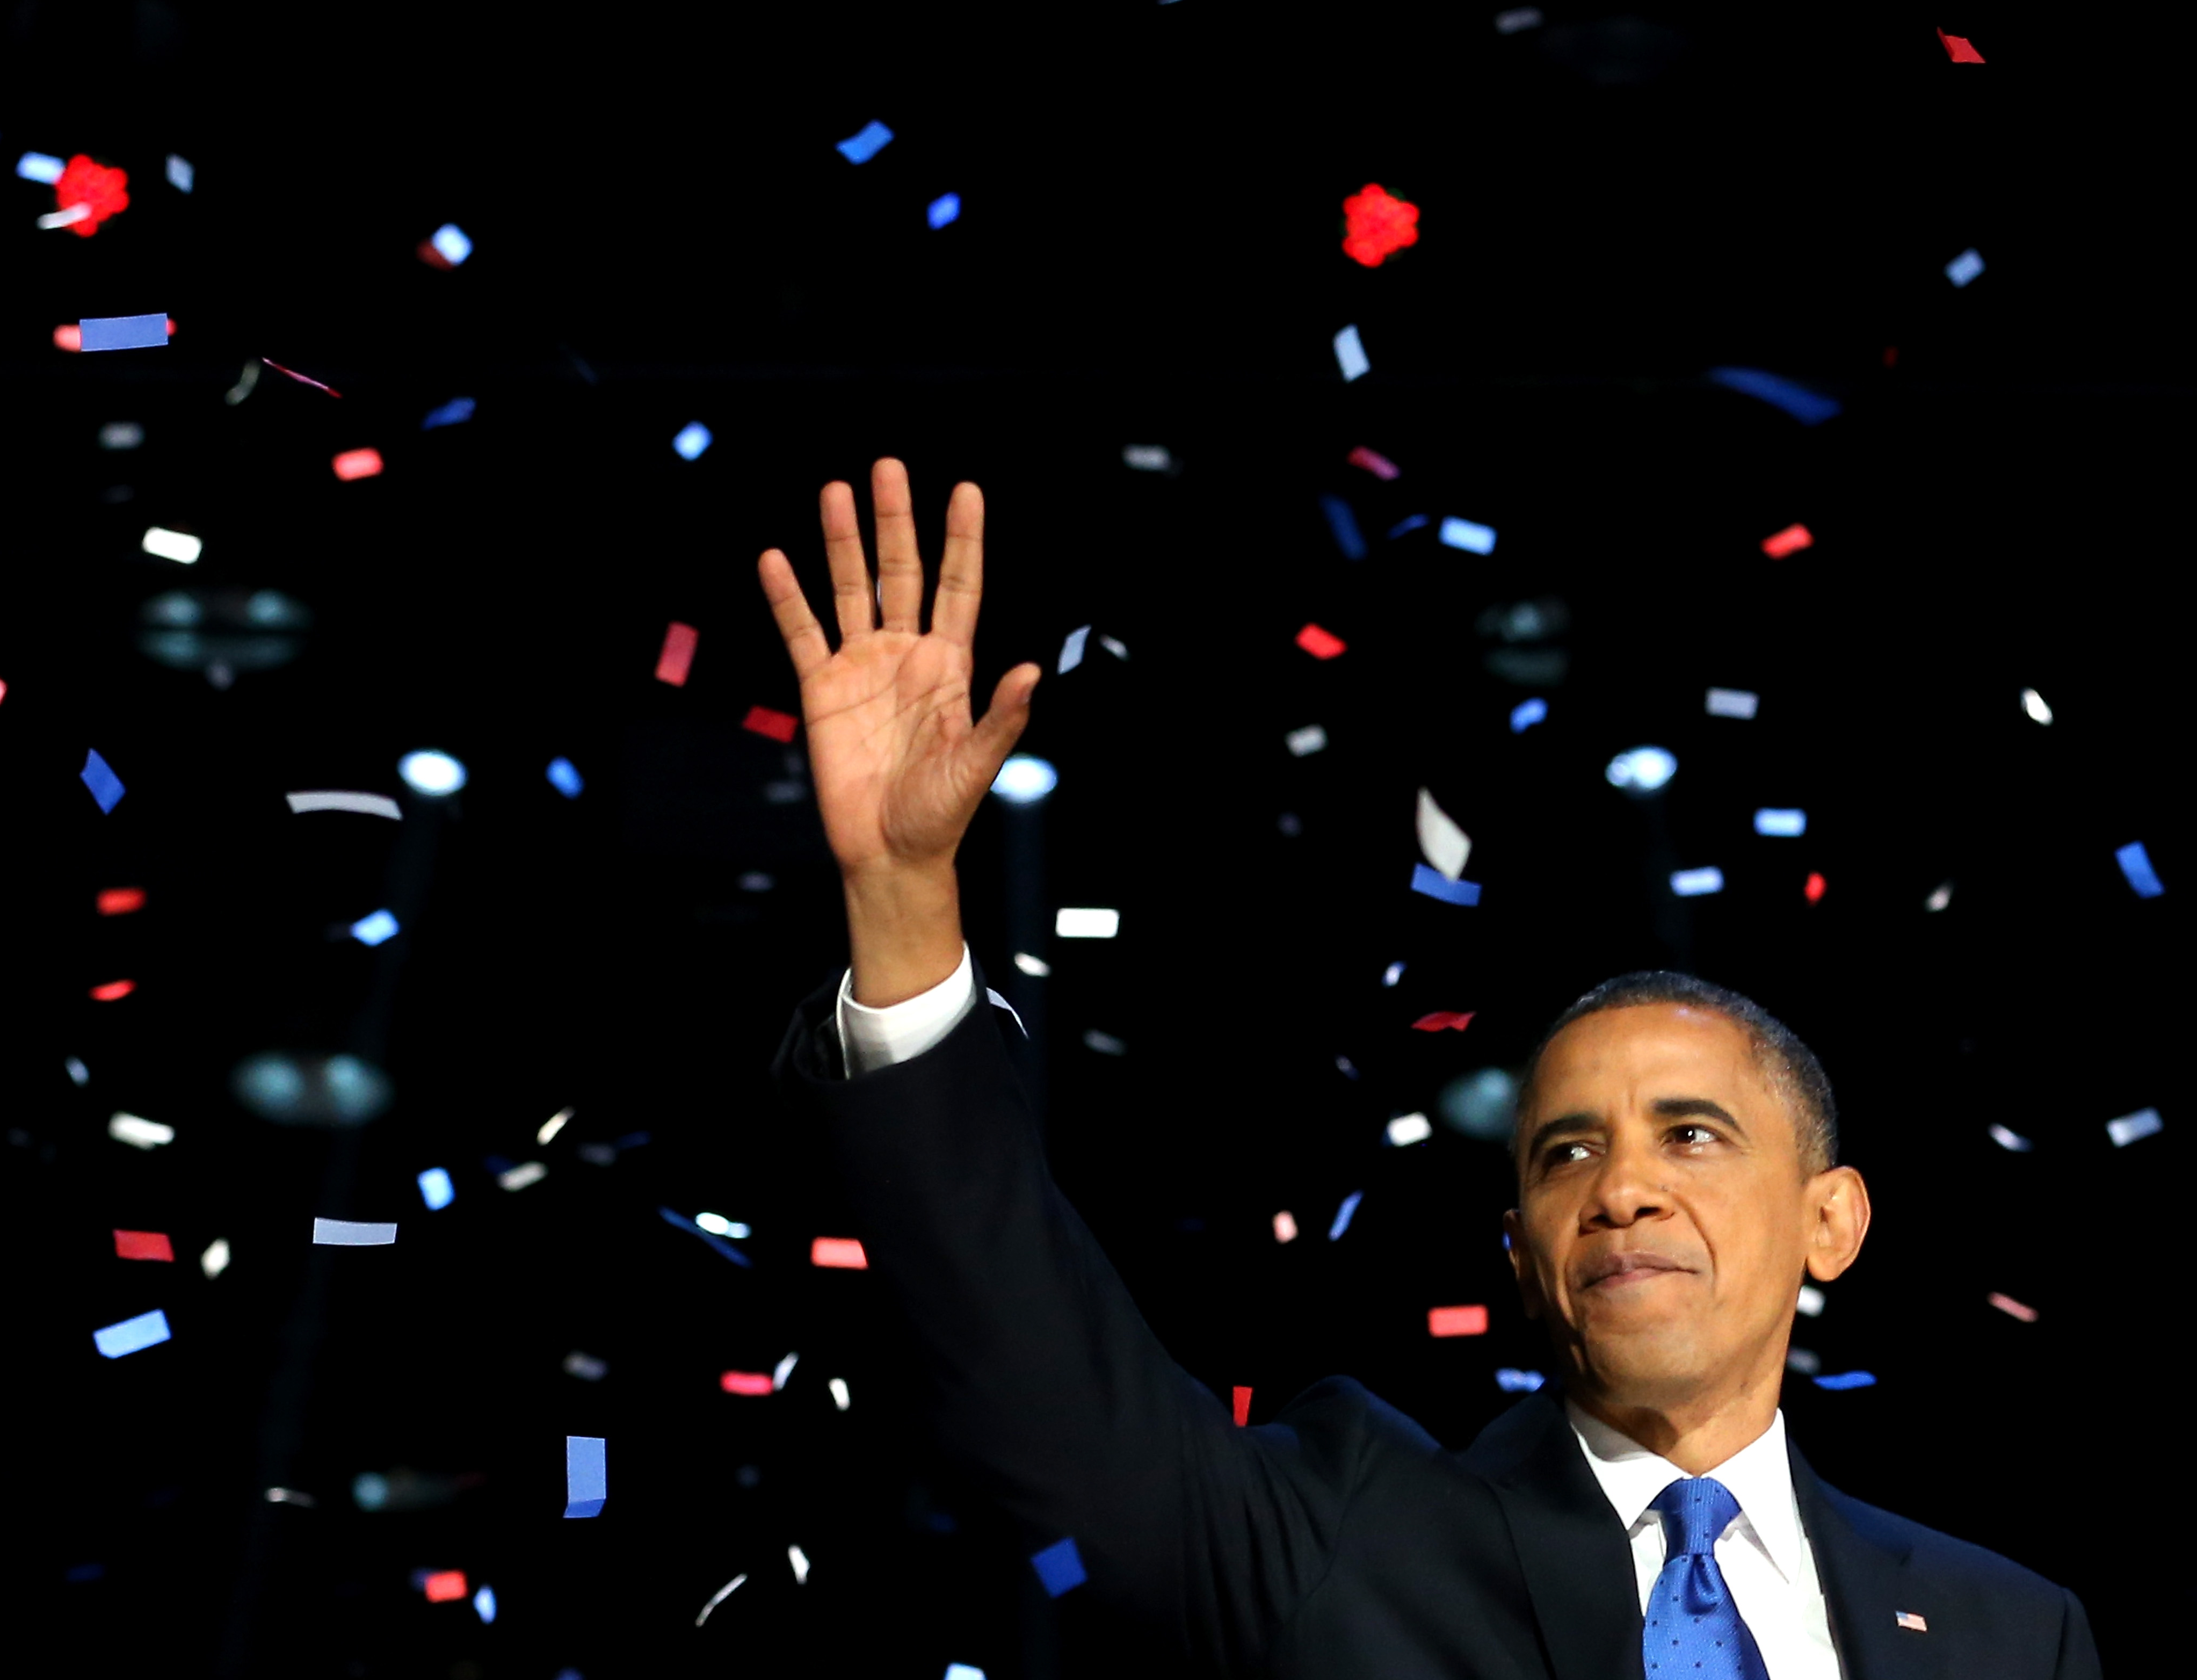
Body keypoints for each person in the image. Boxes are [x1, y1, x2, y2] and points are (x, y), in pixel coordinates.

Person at [753, 460, 2101, 1678]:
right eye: (1566, 1151)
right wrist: (902, 896)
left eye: (1691, 1135)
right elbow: (1027, 1354)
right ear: (1518, 1251)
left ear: (1833, 1221)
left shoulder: (2007, 1634)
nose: (1621, 1189)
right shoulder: (1349, 1532)